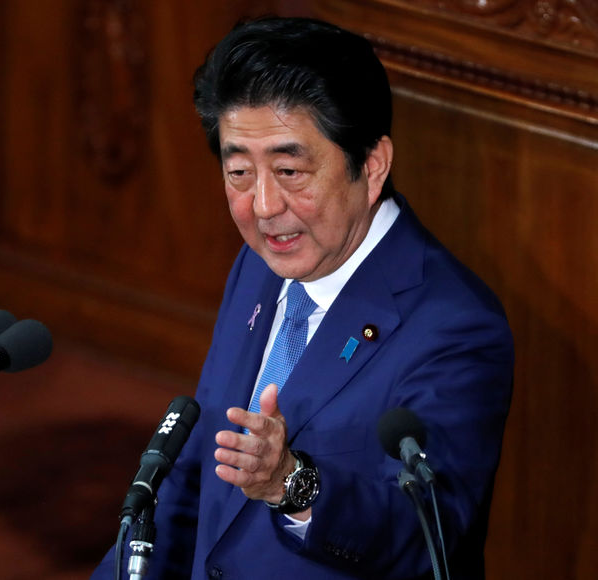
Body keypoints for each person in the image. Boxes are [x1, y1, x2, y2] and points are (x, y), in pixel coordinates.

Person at [91, 16, 513, 580]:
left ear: (371, 163)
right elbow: (195, 476)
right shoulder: (262, 266)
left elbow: (425, 541)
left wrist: (292, 483)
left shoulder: (455, 327)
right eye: (238, 171)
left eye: (289, 170)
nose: (263, 206)